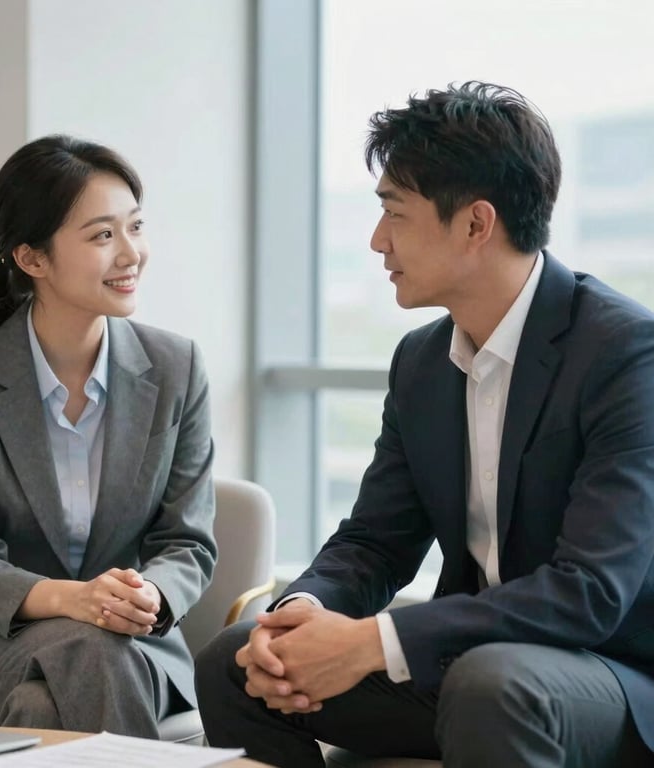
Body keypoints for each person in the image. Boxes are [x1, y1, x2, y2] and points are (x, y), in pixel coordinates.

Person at [195, 82, 654, 767]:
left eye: (394, 214)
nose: (378, 241)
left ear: (476, 224)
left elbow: (588, 593)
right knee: (238, 661)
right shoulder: (422, 362)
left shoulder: (625, 353)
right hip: (469, 669)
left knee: (492, 684)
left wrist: (375, 642)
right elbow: (374, 544)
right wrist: (298, 616)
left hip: (608, 677)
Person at [0, 134, 217, 738]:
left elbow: (189, 543)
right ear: (32, 258)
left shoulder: (177, 368)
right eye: (102, 236)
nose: (131, 254)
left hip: (133, 643)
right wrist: (74, 600)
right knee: (88, 653)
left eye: (135, 227)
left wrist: (146, 593)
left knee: (48, 705)